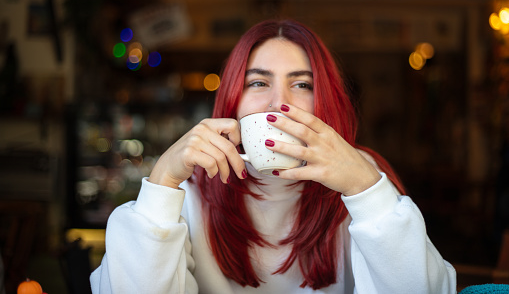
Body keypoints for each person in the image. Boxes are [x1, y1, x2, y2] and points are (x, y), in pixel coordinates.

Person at [90, 19, 457, 293]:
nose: (278, 102)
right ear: (232, 103)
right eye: (258, 82)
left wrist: (366, 187)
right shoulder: (188, 191)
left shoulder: (363, 180)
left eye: (302, 84)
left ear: (324, 103)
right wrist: (162, 182)